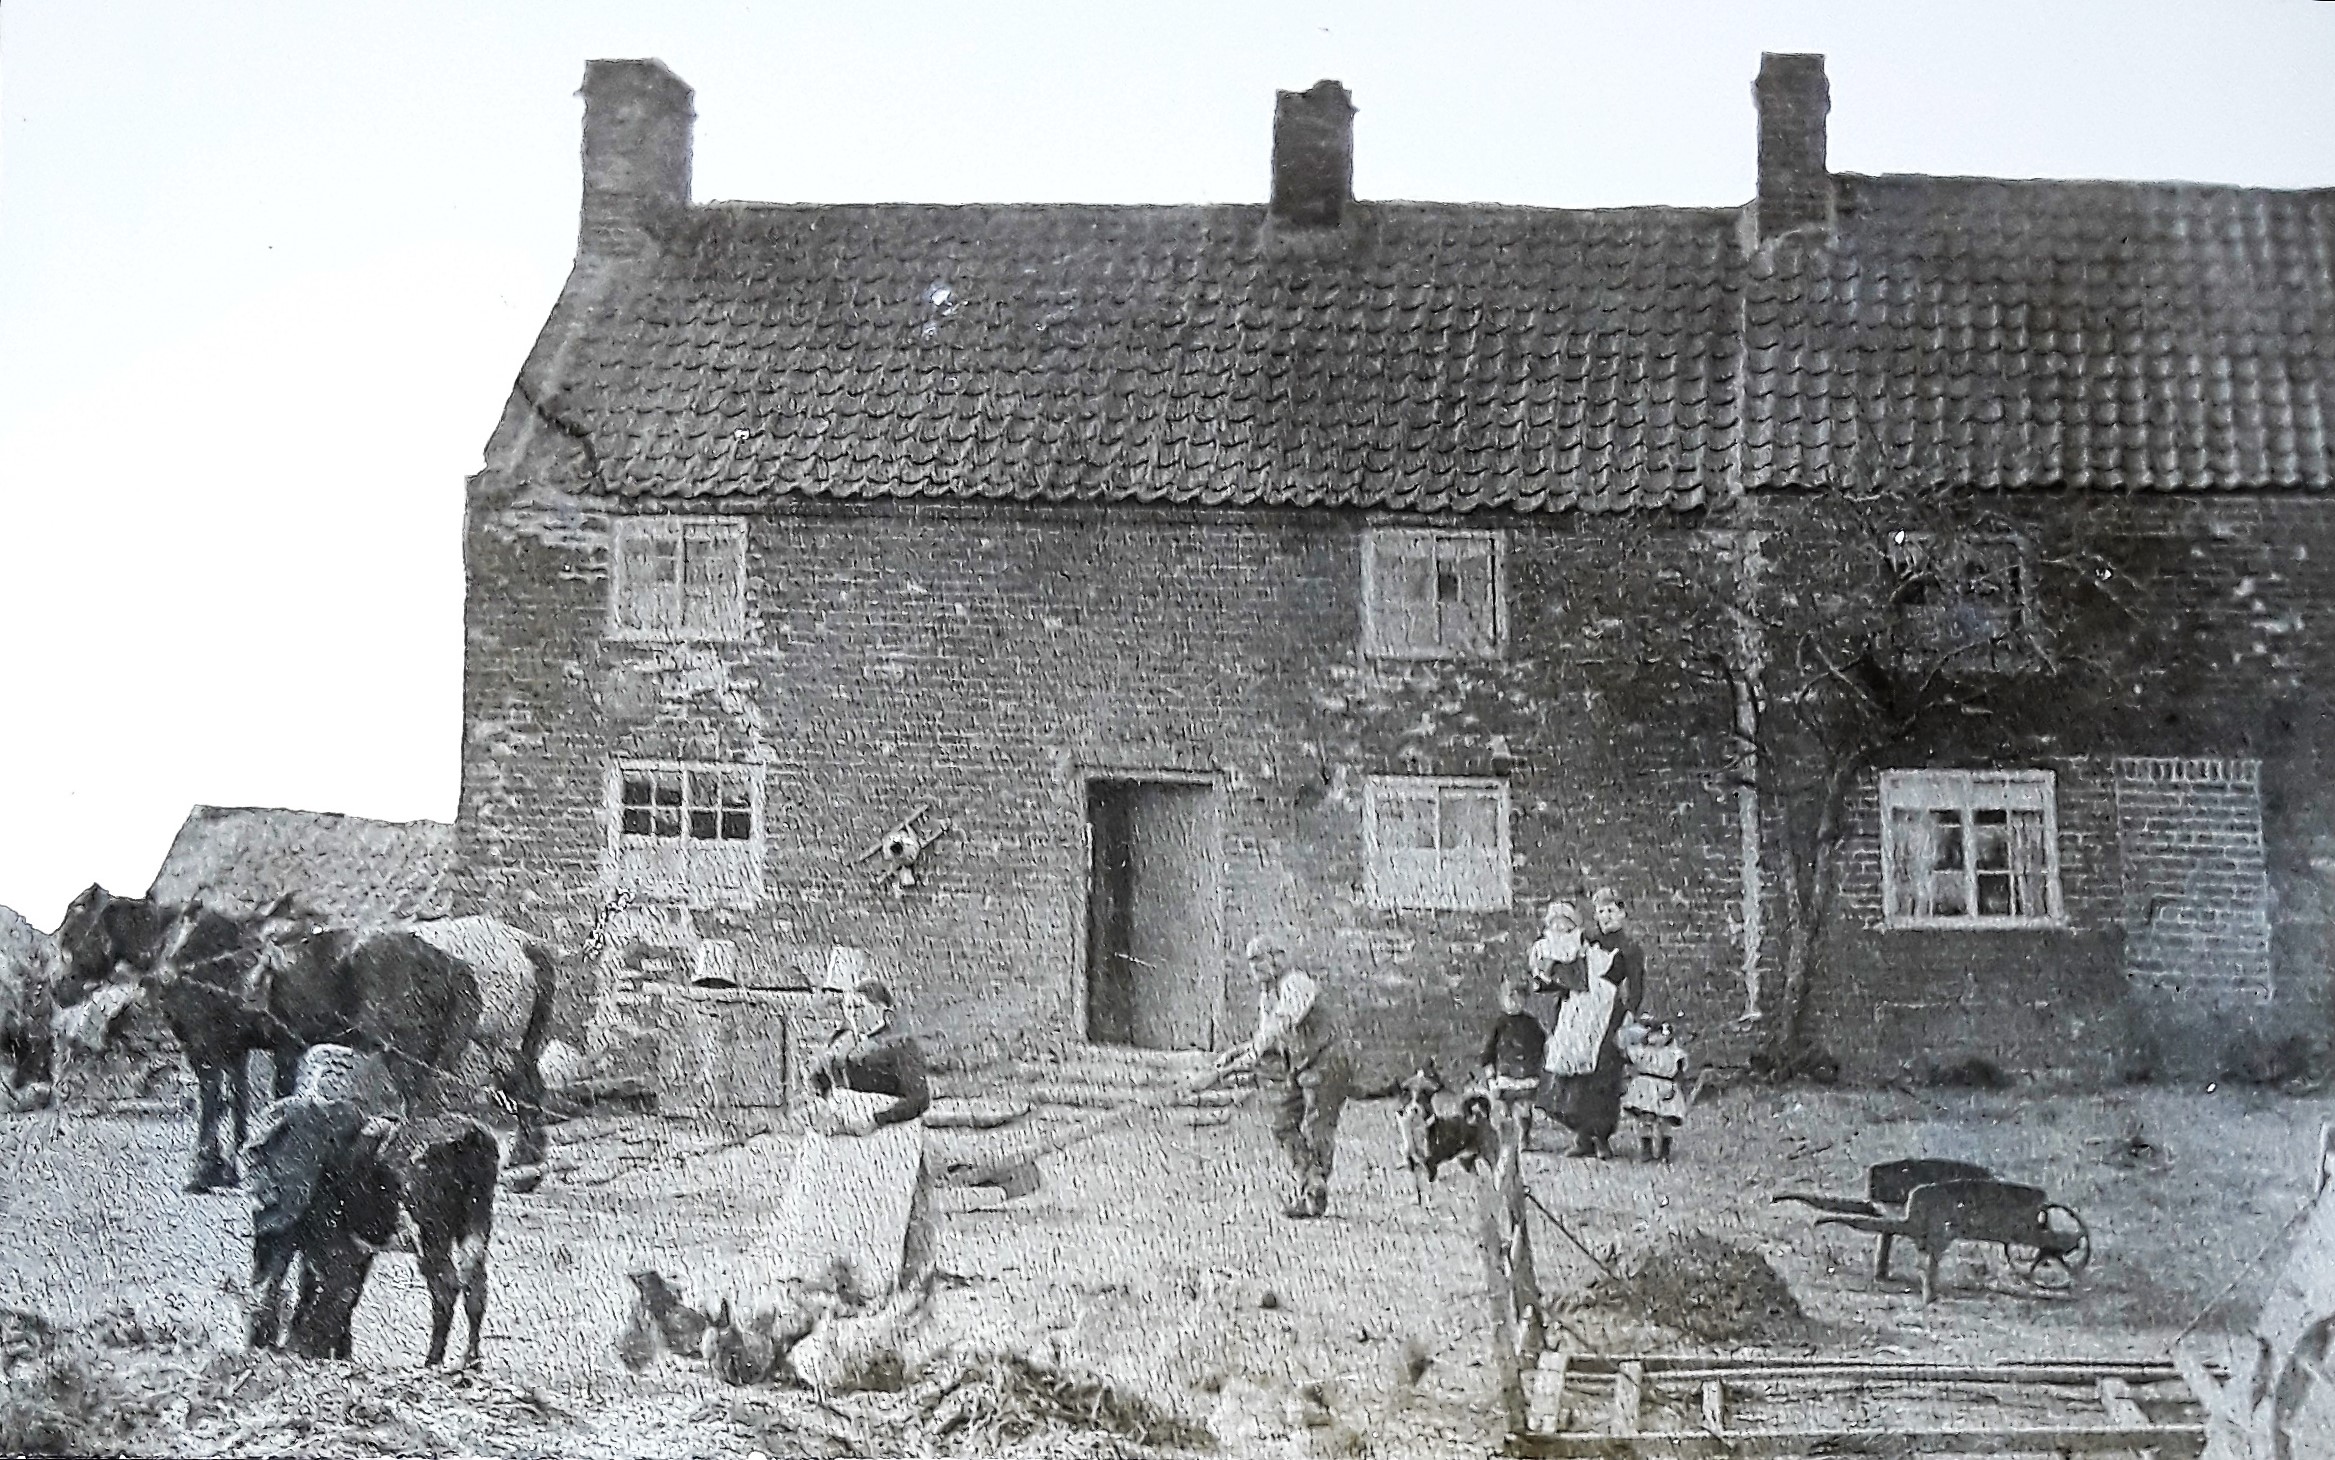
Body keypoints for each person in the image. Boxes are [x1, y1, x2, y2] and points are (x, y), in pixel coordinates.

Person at [784, 979, 937, 1302]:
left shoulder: (900, 1045)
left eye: (860, 1008)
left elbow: (919, 1098)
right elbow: (818, 1076)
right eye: (848, 1007)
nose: (852, 1013)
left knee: (870, 1209)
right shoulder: (841, 1039)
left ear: (884, 1011)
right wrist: (817, 1102)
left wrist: (875, 1119)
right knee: (825, 1201)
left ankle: (870, 1281)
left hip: (881, 1140)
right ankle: (821, 1273)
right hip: (837, 1135)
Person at [1216, 932, 1349, 1219]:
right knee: (1281, 1124)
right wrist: (1238, 1053)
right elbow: (1266, 1036)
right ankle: (1312, 1180)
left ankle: (1313, 1195)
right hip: (1298, 1064)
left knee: (1317, 1127)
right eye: (1250, 962)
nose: (1255, 968)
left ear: (1277, 958)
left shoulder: (1296, 984)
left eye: (1260, 960)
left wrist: (1253, 1054)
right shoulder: (1267, 996)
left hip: (1327, 1059)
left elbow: (1285, 1019)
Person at [1532, 894, 1644, 1158]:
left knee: (1603, 1077)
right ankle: (1582, 1137)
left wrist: (1629, 1014)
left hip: (1608, 1015)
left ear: (1622, 914)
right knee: (1575, 1079)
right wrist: (1549, 976)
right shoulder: (1586, 941)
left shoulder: (1630, 948)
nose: (1605, 917)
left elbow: (1636, 986)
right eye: (1601, 912)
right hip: (1579, 1012)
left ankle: (1603, 1139)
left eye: (1611, 911)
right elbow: (1570, 971)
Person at [1479, 978, 1547, 1148]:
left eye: (1519, 998)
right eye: (1510, 997)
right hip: (1506, 1075)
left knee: (1524, 1108)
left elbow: (1541, 1045)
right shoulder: (1499, 1025)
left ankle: (1524, 1137)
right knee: (1505, 1109)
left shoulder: (1532, 1024)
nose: (1515, 1002)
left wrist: (1540, 1068)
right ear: (1502, 999)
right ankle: (1507, 1138)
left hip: (1527, 1075)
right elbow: (1488, 1053)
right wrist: (1491, 1079)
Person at [1619, 1016, 1690, 1162]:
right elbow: (1625, 1055)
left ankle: (1664, 1150)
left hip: (1665, 1086)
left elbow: (1680, 1072)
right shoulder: (1642, 1051)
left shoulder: (1673, 1054)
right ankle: (1646, 1149)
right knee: (1643, 1118)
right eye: (1652, 1034)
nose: (1656, 1038)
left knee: (1664, 1120)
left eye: (1661, 1035)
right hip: (1644, 1086)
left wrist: (1675, 1087)